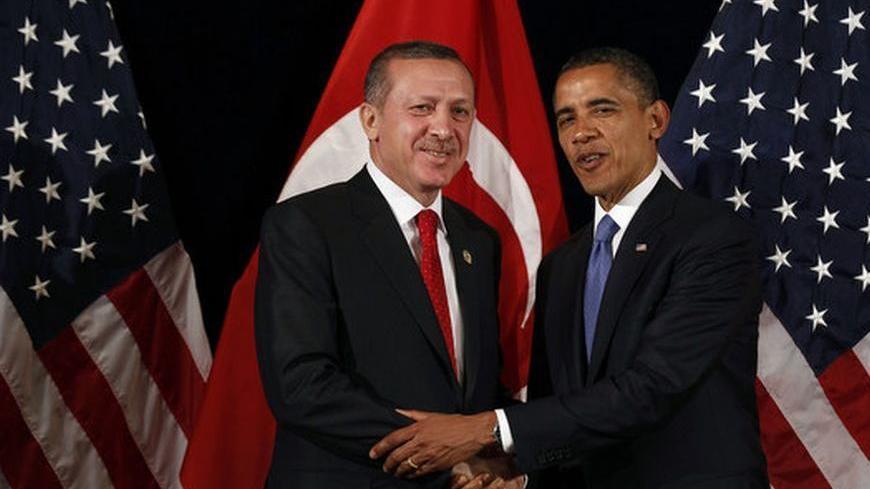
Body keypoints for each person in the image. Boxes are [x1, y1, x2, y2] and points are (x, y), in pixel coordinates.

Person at [370, 47, 768, 489]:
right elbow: (558, 407)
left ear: (655, 120)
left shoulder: (713, 238)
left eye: (603, 110)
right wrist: (516, 472)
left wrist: (485, 429)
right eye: (566, 119)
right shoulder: (562, 265)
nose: (581, 133)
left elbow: (652, 387)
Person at [255, 40, 513, 488]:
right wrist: (443, 456)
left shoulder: (479, 241)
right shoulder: (306, 224)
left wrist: (498, 456)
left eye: (460, 112)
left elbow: (477, 388)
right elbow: (302, 385)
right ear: (370, 120)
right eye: (422, 108)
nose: (443, 128)